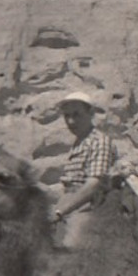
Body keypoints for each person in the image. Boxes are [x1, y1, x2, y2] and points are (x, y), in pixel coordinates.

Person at [51, 91, 117, 248]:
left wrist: (60, 212)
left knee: (69, 250)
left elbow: (93, 186)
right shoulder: (80, 142)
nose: (71, 121)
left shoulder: (99, 141)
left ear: (91, 113)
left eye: (76, 114)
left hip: (89, 208)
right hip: (70, 204)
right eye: (67, 116)